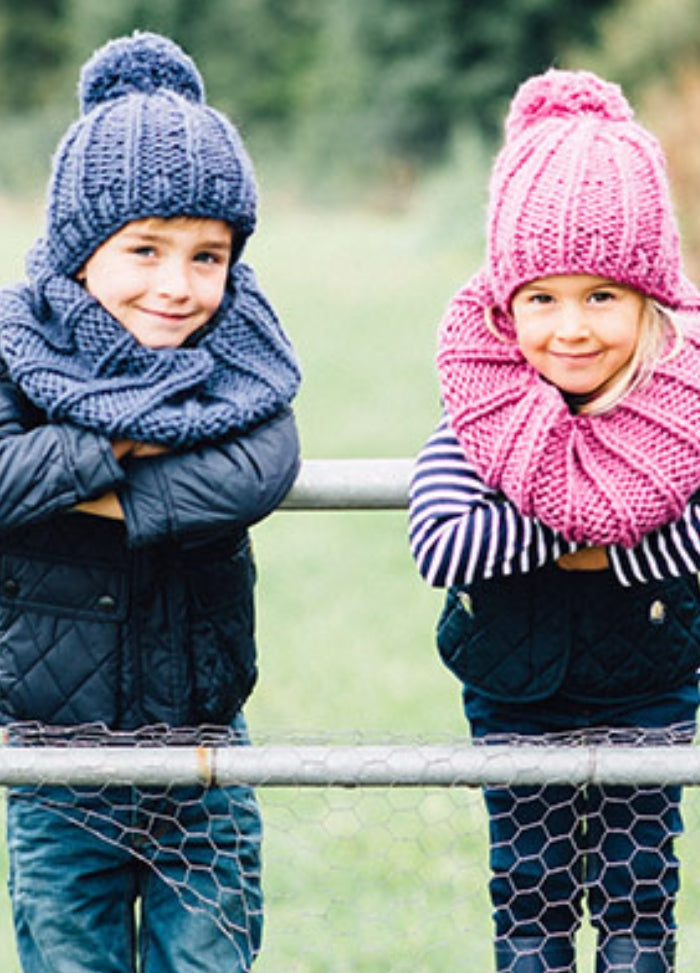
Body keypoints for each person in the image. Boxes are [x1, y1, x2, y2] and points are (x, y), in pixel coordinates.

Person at [0, 31, 301, 973]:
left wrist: (91, 498)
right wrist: (120, 437)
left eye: (208, 256)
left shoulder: (242, 350)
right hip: (53, 770)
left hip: (205, 753)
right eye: (145, 250)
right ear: (82, 248)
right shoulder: (20, 339)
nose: (177, 286)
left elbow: (264, 461)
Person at [409, 68, 700, 973]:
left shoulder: (680, 416)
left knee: (640, 902)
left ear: (651, 301)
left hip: (650, 690)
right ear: (506, 306)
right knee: (528, 904)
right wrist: (597, 527)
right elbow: (442, 541)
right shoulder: (481, 418)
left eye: (602, 296)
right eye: (542, 298)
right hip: (514, 695)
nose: (570, 327)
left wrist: (566, 535)